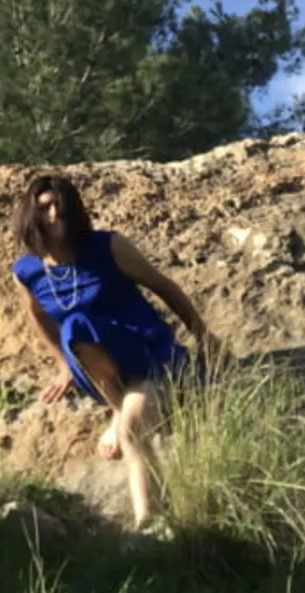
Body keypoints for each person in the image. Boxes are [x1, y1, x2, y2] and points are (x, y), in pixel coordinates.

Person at [12, 172, 224, 530]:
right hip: (106, 373)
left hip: (149, 356)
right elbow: (37, 316)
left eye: (61, 207)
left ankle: (149, 525)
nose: (54, 216)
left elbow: (163, 286)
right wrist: (63, 366)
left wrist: (204, 336)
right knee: (75, 329)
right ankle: (118, 413)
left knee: (128, 432)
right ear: (31, 215)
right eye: (45, 208)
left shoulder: (107, 247)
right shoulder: (27, 271)